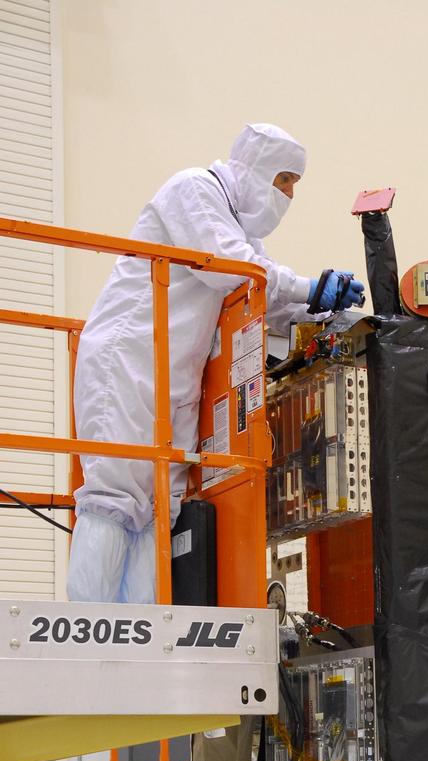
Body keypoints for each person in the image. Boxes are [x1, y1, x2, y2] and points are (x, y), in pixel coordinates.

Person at [66, 122, 364, 603]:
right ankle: (90, 641)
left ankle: (138, 647)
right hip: (127, 363)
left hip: (170, 382)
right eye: (284, 179)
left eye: (294, 185)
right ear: (258, 169)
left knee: (155, 511)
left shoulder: (237, 226)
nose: (288, 193)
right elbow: (229, 266)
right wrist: (309, 287)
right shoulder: (194, 190)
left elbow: (258, 291)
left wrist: (321, 307)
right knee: (113, 501)